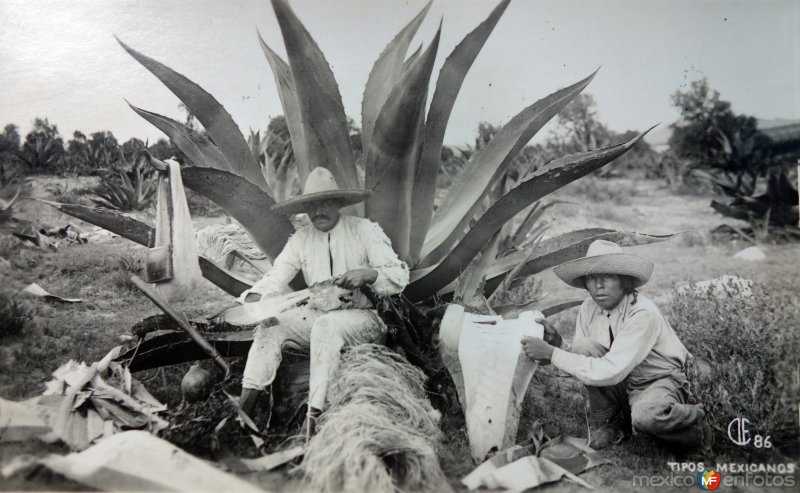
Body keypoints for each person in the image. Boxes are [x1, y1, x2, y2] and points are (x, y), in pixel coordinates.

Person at [236, 167, 409, 436]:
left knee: (326, 326)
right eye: (312, 206)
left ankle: (312, 419)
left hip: (365, 319)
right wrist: (255, 298)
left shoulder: (364, 231)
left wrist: (369, 274)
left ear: (339, 203)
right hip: (317, 315)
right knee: (271, 325)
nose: (319, 212)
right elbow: (277, 275)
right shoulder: (302, 239)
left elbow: (398, 276)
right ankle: (244, 413)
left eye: (326, 203)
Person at [520, 240, 712, 452]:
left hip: (657, 380)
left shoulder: (642, 313)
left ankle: (702, 424)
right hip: (621, 381)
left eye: (608, 276)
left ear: (624, 281)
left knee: (647, 417)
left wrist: (553, 354)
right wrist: (558, 344)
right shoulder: (588, 308)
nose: (598, 285)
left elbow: (609, 370)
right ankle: (612, 423)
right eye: (592, 277)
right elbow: (589, 364)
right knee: (583, 345)